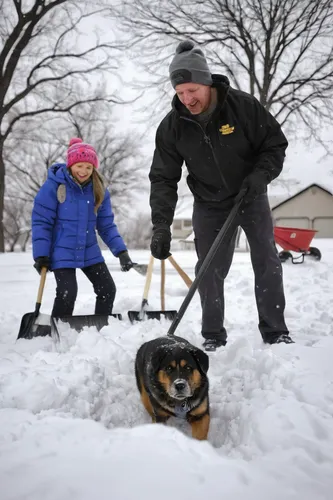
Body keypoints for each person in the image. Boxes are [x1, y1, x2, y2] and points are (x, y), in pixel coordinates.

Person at [149, 40, 294, 351]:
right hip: (209, 203)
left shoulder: (243, 107)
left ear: (206, 81)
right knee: (209, 268)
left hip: (250, 196)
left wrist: (260, 176)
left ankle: (275, 331)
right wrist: (161, 224)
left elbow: (274, 145)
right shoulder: (173, 127)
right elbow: (163, 178)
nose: (187, 99)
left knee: (267, 260)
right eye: (180, 92)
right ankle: (213, 335)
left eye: (192, 90)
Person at [32, 137, 134, 318]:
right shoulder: (55, 186)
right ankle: (61, 332)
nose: (84, 171)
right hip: (61, 250)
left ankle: (100, 330)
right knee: (68, 293)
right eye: (79, 165)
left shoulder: (98, 189)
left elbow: (106, 225)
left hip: (89, 250)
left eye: (88, 167)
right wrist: (41, 254)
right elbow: (42, 222)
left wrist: (121, 252)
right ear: (70, 164)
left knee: (107, 289)